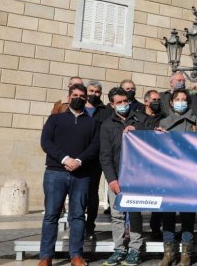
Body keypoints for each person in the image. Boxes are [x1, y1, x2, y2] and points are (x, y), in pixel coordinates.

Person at [38, 83, 99, 266]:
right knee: (51, 215)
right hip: (55, 173)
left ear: (86, 98)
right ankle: (46, 256)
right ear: (69, 96)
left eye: (82, 96)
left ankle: (76, 256)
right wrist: (65, 159)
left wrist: (79, 161)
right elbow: (46, 142)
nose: (78, 98)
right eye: (75, 95)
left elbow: (95, 146)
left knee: (78, 215)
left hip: (81, 175)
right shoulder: (55, 119)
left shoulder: (93, 123)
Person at [100, 87, 153, 266]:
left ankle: (135, 249)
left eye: (125, 101)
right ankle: (119, 249)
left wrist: (137, 131)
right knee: (117, 215)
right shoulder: (107, 125)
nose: (123, 105)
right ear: (112, 104)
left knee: (135, 213)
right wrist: (111, 179)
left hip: (137, 177)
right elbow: (105, 156)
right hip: (117, 177)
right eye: (119, 102)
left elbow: (151, 143)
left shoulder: (141, 120)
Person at [157, 89, 197, 266]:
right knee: (167, 213)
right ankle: (168, 253)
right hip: (168, 175)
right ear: (171, 102)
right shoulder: (163, 122)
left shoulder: (195, 122)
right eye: (177, 99)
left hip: (188, 175)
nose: (181, 102)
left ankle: (186, 254)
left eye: (184, 99)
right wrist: (158, 136)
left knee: (187, 215)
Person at [83, 80, 110, 241]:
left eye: (97, 92)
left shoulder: (105, 111)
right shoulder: (79, 109)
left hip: (96, 159)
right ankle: (77, 225)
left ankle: (89, 226)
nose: (94, 94)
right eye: (91, 91)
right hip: (79, 158)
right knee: (78, 194)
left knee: (92, 194)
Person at [142, 89, 165, 240]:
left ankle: (155, 228)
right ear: (146, 101)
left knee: (159, 197)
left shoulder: (164, 118)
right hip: (141, 163)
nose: (157, 102)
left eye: (159, 100)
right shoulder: (137, 118)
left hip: (158, 165)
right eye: (154, 99)